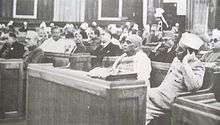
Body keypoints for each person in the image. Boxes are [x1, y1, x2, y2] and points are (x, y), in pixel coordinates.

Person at [146, 32, 205, 124]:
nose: (176, 50)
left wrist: (185, 63)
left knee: (139, 108)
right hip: (159, 96)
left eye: (180, 49)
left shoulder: (197, 65)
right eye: (177, 47)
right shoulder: (177, 60)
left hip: (170, 102)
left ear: (191, 53)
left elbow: (194, 86)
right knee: (136, 101)